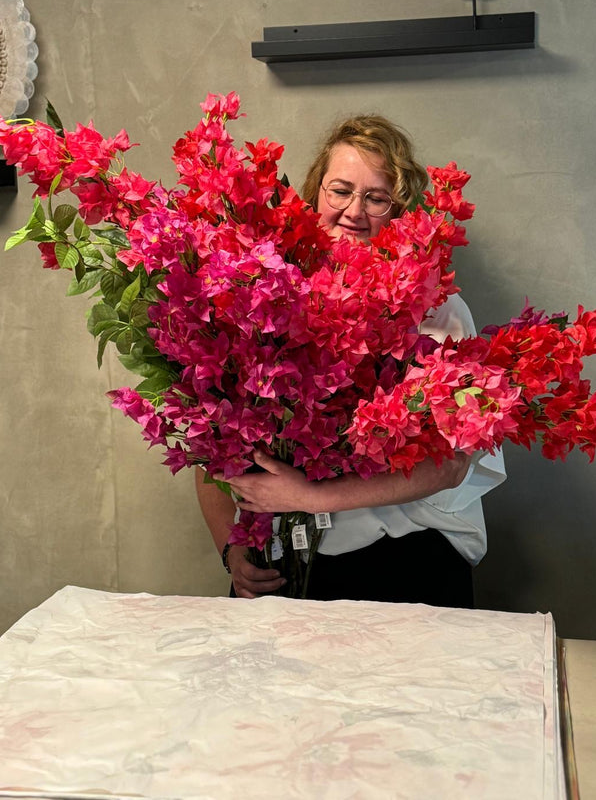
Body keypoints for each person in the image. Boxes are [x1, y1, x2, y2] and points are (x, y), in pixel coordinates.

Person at [195, 114, 506, 605]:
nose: (353, 211)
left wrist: (310, 498)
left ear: (400, 211)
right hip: (282, 563)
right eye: (340, 190)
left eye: (376, 198)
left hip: (407, 561)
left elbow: (450, 465)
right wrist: (231, 552)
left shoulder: (438, 310)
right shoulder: (261, 293)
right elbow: (209, 445)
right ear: (315, 195)